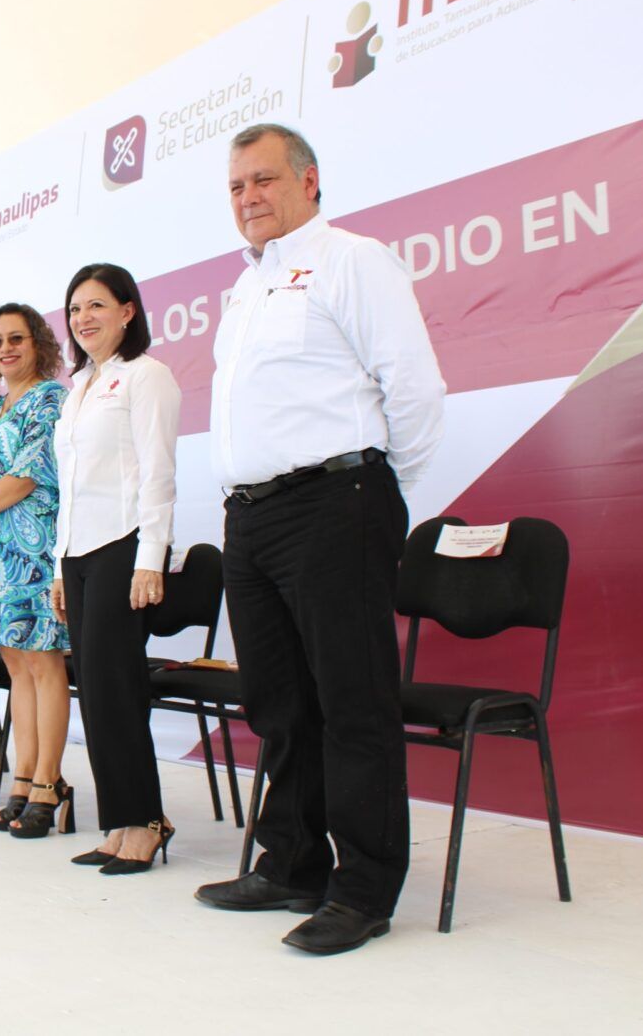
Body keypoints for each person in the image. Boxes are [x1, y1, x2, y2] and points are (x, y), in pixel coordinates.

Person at [195, 124, 445, 954]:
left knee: (352, 702)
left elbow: (413, 387)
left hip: (336, 502)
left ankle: (364, 888)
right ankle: (293, 862)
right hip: (251, 516)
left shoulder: (353, 260)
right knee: (280, 704)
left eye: (263, 179)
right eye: (236, 186)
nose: (248, 197)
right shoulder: (245, 289)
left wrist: (377, 491)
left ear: (308, 181)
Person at [50, 264, 181, 874]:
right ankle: (120, 823)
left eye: (97, 305)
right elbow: (70, 487)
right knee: (97, 693)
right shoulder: (79, 385)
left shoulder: (147, 376)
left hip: (123, 547)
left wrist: (151, 559)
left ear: (128, 312)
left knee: (119, 690)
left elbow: (158, 472)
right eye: (76, 308)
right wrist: (59, 566)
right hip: (78, 553)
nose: (84, 318)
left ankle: (146, 821)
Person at [0, 304, 73, 838]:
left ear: (38, 343)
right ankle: (23, 779)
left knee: (44, 664)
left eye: (16, 338)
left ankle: (50, 783)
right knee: (16, 667)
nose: (5, 349)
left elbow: (29, 474)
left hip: (33, 550)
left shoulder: (51, 399)